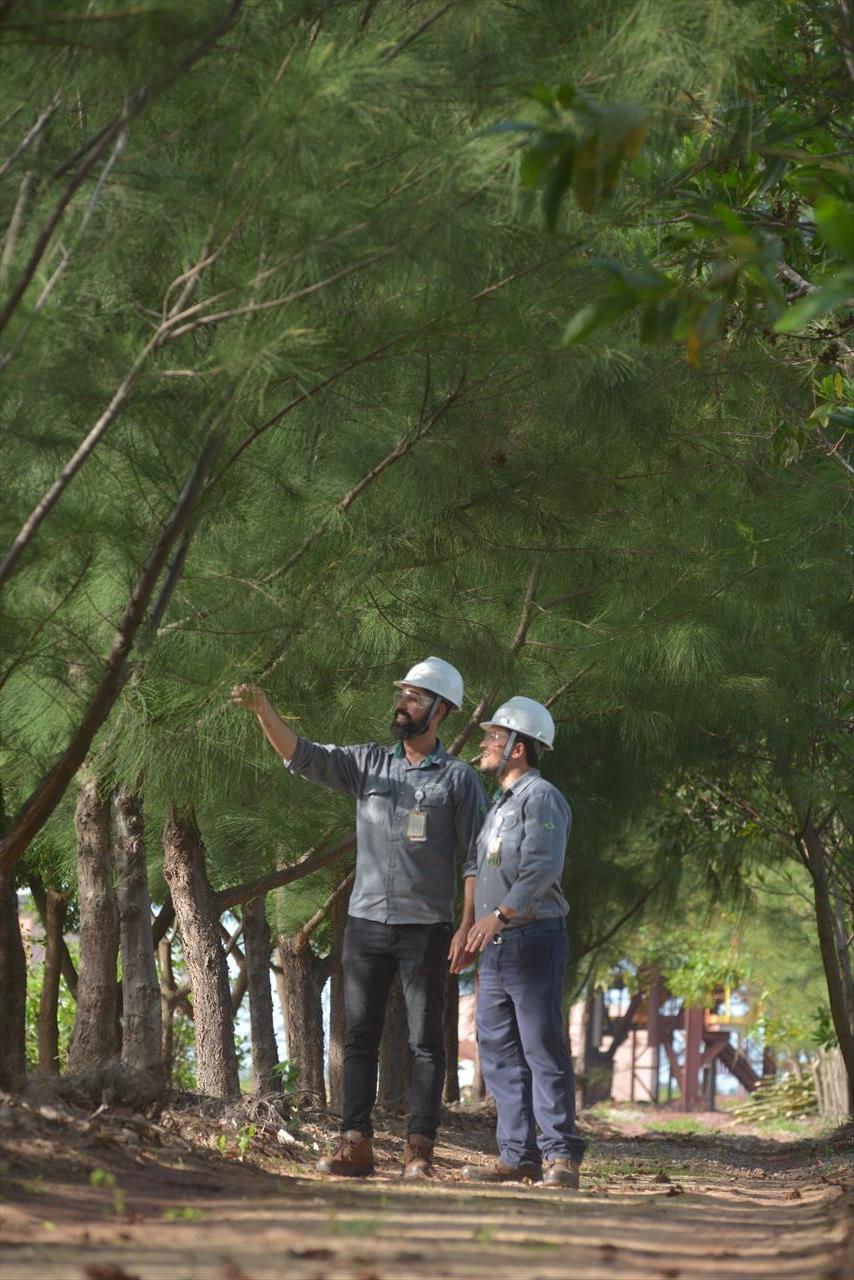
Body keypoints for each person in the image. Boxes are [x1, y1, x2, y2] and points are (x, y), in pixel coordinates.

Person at [232, 658, 487, 1180]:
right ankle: (356, 1144)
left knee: (425, 1042)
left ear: (439, 711)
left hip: (428, 926)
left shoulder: (459, 780)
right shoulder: (369, 763)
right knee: (359, 1037)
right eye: (403, 694)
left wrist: (466, 926)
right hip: (366, 922)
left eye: (415, 697)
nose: (402, 704)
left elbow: (477, 860)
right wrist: (264, 712)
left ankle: (420, 1149)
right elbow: (303, 756)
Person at [452, 696, 586, 1188]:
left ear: (518, 748)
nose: (484, 744)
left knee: (541, 1047)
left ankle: (560, 1157)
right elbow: (478, 867)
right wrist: (470, 925)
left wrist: (501, 914)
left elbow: (543, 866)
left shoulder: (541, 797)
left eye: (493, 737)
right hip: (497, 946)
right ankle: (517, 1156)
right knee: (499, 1052)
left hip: (533, 938)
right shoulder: (499, 806)